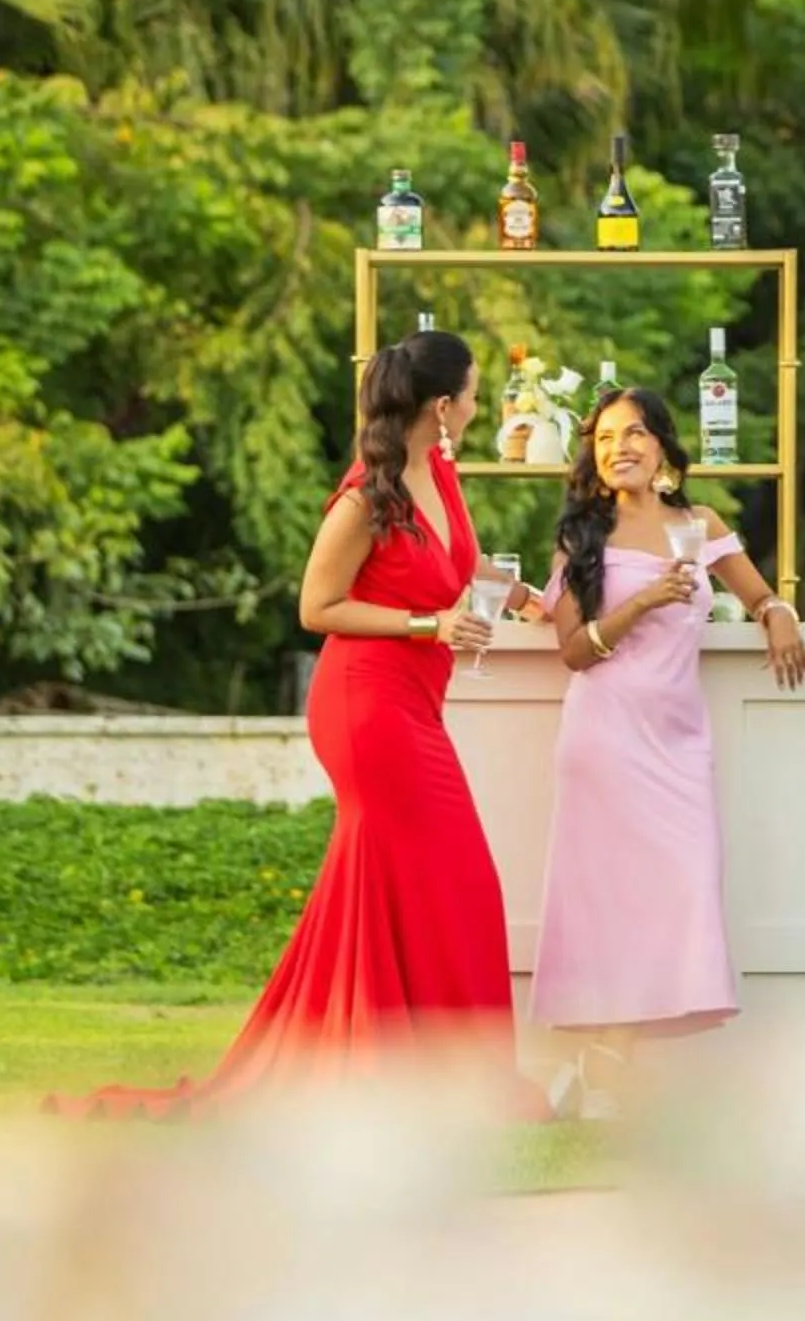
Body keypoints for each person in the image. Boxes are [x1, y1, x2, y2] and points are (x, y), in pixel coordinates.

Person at [51, 331, 534, 1119]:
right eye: (477, 394)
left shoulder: (438, 474)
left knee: (413, 883)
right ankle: (409, 1074)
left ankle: (409, 1072)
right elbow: (318, 607)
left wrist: (522, 597)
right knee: (457, 878)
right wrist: (430, 626)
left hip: (415, 700)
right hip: (366, 704)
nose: (481, 407)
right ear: (444, 406)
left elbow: (458, 561)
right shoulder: (365, 498)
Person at [530, 386, 805, 1120]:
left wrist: (778, 613)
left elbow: (758, 595)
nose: (618, 448)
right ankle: (606, 1068)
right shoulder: (582, 535)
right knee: (609, 907)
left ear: (661, 446)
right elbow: (573, 651)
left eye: (633, 434)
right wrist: (644, 601)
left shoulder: (700, 525)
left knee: (680, 892)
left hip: (679, 744)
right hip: (604, 738)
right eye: (604, 439)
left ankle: (596, 1066)